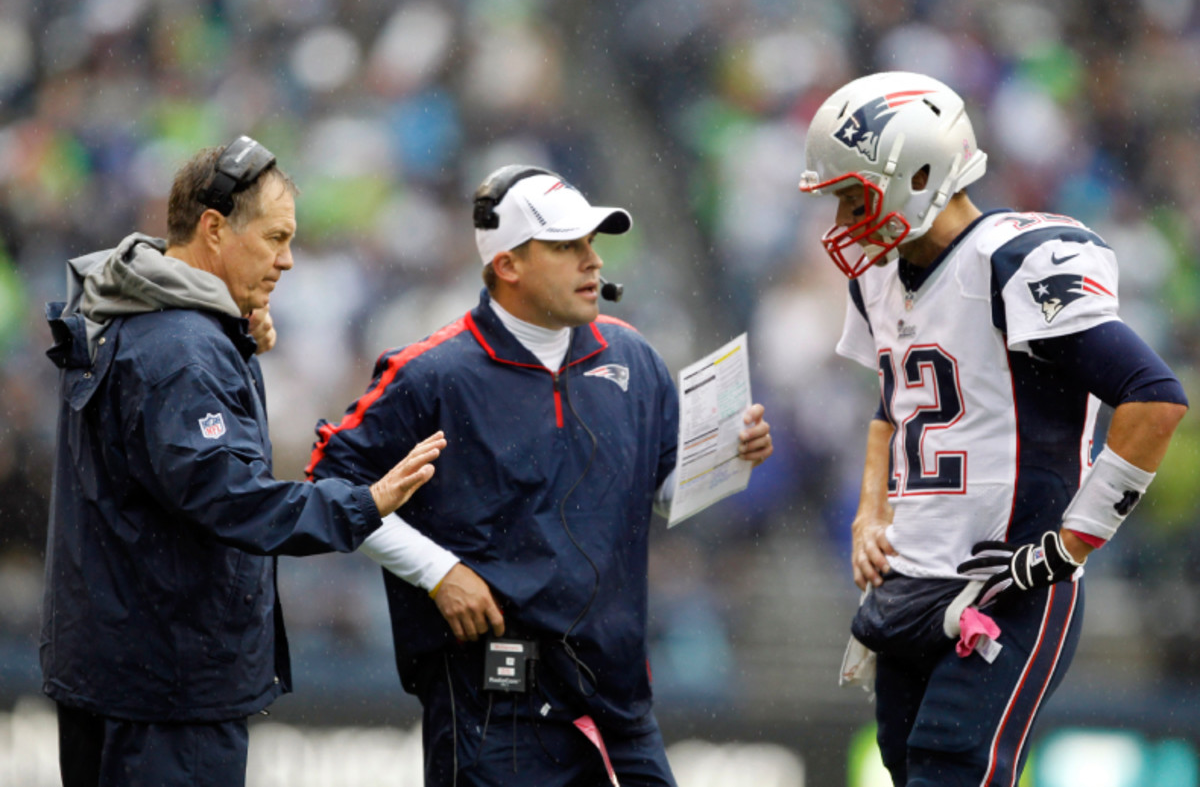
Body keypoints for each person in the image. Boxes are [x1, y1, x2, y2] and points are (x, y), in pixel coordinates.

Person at [305, 164, 774, 786]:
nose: (592, 262)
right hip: (494, 709)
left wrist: (727, 457)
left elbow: (658, 487)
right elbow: (328, 486)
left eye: (592, 244)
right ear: (508, 265)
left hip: (619, 701)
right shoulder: (431, 374)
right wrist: (437, 571)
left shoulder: (633, 355)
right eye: (565, 246)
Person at [796, 71, 1188, 786]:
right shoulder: (877, 275)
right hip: (910, 579)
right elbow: (893, 404)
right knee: (909, 767)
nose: (842, 218)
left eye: (853, 195)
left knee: (956, 766)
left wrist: (1070, 544)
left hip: (1004, 583)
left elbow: (1154, 399)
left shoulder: (1014, 260)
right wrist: (869, 510)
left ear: (919, 174)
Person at [41, 136, 447, 787]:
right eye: (274, 237)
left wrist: (228, 332)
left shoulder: (129, 309)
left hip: (116, 673)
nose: (287, 261)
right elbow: (228, 496)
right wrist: (363, 503)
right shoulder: (182, 348)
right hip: (169, 693)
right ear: (213, 229)